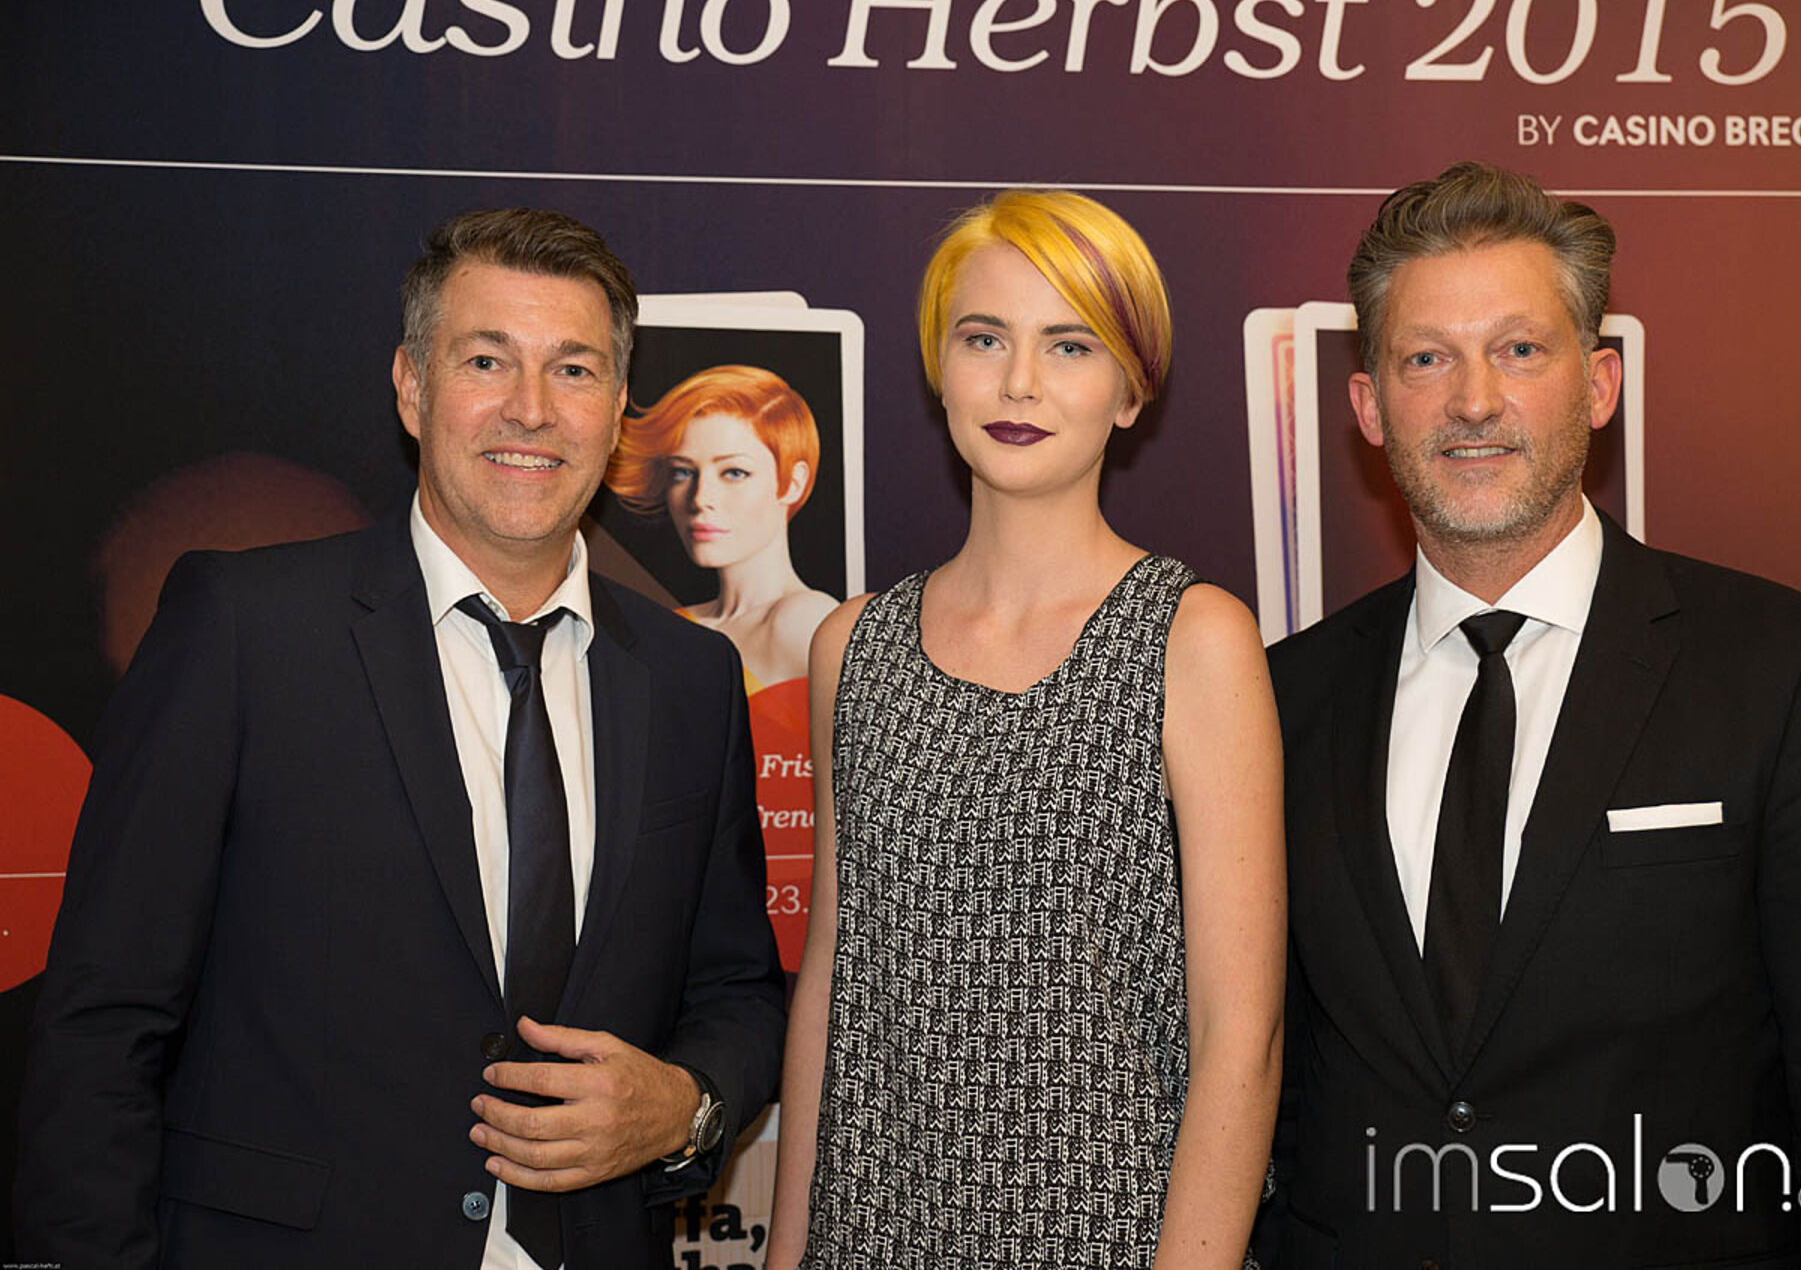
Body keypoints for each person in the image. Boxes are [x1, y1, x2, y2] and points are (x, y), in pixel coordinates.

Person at [16, 208, 786, 1269]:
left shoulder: (692, 677)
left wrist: (687, 1104)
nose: (531, 408)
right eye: (486, 360)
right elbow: (103, 1018)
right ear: (412, 387)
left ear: (616, 411)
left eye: (573, 369)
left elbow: (738, 991)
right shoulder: (243, 628)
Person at [1252, 161, 1801, 1268]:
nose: (1474, 400)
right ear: (1368, 406)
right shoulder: (1282, 697)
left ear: (1600, 384)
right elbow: (1259, 1077)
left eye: (1520, 349)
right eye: (1427, 357)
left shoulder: (1784, 666)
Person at [767, 191, 1286, 1269]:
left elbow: (1241, 1036)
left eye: (1070, 345)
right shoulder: (850, 647)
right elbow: (830, 982)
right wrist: (789, 1251)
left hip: (1112, 1234)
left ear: (1131, 391)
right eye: (983, 338)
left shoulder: (1193, 638)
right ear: (938, 367)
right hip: (874, 1235)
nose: (1018, 383)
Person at [606, 364, 838, 689]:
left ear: (793, 483)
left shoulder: (806, 621)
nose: (701, 498)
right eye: (683, 472)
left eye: (734, 472)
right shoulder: (672, 625)